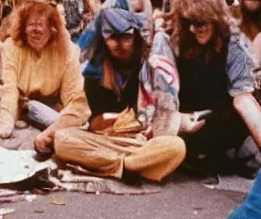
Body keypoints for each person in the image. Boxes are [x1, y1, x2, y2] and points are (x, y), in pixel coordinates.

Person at [52, 9, 186, 182]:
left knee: (176, 146)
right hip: (108, 141)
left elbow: (162, 115)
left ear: (136, 37)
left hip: (142, 141)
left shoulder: (150, 65)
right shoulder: (95, 72)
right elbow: (95, 123)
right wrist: (110, 121)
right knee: (63, 140)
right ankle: (130, 166)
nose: (119, 44)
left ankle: (123, 165)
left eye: (126, 37)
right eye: (112, 38)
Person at [153, 0, 261, 176]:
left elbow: (243, 100)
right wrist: (178, 121)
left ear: (215, 20)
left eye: (201, 23)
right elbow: (163, 96)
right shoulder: (171, 40)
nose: (194, 29)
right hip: (182, 120)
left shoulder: (234, 44)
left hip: (220, 121)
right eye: (189, 23)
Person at [0, 0, 90, 153]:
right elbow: (9, 88)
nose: (36, 32)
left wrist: (54, 130)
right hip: (17, 107)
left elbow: (75, 99)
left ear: (53, 30)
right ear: (23, 29)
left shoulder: (69, 51)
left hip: (50, 111)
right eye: (31, 26)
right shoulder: (11, 46)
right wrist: (4, 127)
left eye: (41, 27)